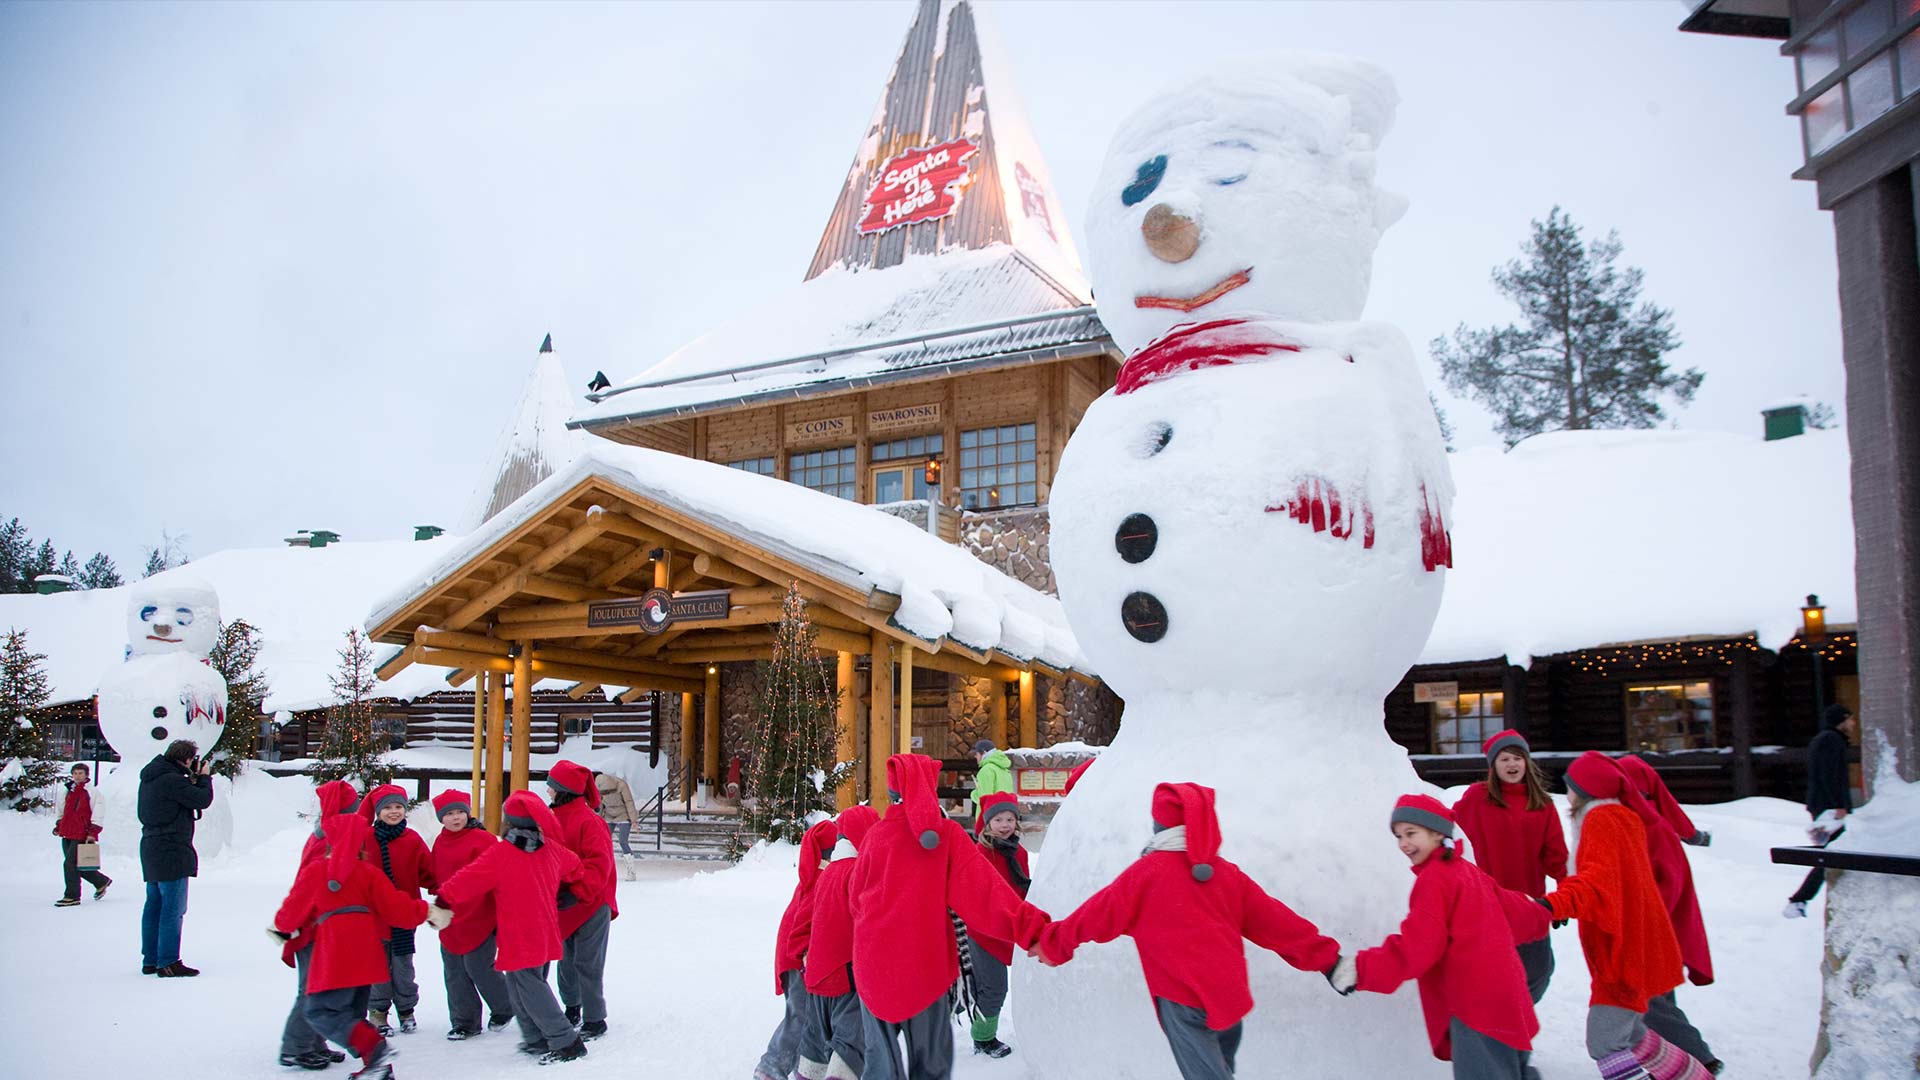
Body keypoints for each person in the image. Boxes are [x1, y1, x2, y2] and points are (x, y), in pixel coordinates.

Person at [1035, 782, 1341, 1080]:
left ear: (1159, 827)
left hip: (1183, 1002)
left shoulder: (1145, 875)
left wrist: (1053, 944)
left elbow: (1095, 916)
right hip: (1228, 999)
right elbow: (1278, 923)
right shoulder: (1228, 876)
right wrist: (1329, 961)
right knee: (1219, 1069)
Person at [850, 754, 1051, 1080]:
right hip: (923, 970)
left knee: (879, 1065)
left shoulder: (875, 836)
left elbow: (855, 901)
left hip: (872, 968)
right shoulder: (947, 837)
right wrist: (1035, 931)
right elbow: (986, 896)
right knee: (929, 1065)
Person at [1337, 795, 1550, 1080]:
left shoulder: (1435, 880)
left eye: (1411, 833)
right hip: (1508, 998)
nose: (1403, 843)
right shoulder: (1467, 871)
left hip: (1476, 1007)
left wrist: (1360, 969)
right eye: (1398, 835)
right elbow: (1516, 911)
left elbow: (1418, 947)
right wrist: (1545, 910)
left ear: (1438, 833)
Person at [1540, 753, 1709, 1080]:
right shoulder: (1624, 818)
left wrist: (1554, 904)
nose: (1568, 793)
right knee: (1634, 1036)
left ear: (1586, 790)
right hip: (1630, 947)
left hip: (1622, 954)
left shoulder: (1602, 821)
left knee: (1604, 1041)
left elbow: (1596, 884)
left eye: (1571, 786)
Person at [270, 808, 437, 1080]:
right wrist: (427, 911)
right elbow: (397, 908)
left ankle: (376, 1049)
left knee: (320, 1010)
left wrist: (282, 929)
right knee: (352, 1013)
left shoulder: (317, 871)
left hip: (336, 951)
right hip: (368, 953)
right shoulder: (368, 873)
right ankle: (378, 1068)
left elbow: (291, 911)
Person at [435, 790, 591, 1065]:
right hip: (545, 929)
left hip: (520, 934)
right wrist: (570, 890)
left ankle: (566, 1042)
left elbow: (467, 879)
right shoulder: (551, 848)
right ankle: (535, 1038)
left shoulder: (501, 853)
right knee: (523, 985)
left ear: (509, 822)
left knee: (530, 987)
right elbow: (576, 866)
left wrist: (443, 898)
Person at [1618, 756, 1720, 1073]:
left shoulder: (1653, 829)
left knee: (1644, 997)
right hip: (1649, 924)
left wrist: (1640, 911)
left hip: (1654, 926)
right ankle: (1673, 1066)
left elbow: (1670, 884)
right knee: (1657, 994)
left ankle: (1700, 1058)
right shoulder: (1633, 824)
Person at [1451, 730, 1568, 1004]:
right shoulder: (1476, 798)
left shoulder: (1543, 805)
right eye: (1504, 759)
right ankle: (1501, 1029)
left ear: (1527, 762)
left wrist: (1566, 896)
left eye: (1517, 758)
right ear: (1493, 766)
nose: (1512, 765)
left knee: (1539, 971)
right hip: (1488, 903)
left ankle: (1514, 1021)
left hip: (1529, 904)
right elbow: (1450, 831)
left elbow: (1556, 857)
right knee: (1493, 973)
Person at [279, 780, 360, 1070]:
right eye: (355, 807)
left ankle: (313, 1042)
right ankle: (296, 1047)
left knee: (321, 985)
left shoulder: (329, 835)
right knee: (313, 989)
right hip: (314, 927)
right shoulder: (328, 841)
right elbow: (312, 887)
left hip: (322, 926)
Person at [756, 818, 840, 1080]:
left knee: (810, 1015)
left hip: (797, 956)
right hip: (799, 958)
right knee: (801, 1015)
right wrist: (804, 955)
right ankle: (772, 1065)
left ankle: (805, 1065)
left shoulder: (814, 875)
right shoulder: (821, 879)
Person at [429, 788, 514, 1041]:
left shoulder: (483, 840)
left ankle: (505, 1006)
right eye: (449, 814)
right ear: (441, 818)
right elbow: (436, 875)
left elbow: (497, 877)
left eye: (460, 813)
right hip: (451, 917)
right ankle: (464, 1021)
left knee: (479, 966)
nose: (456, 818)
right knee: (454, 971)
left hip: (481, 915)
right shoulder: (440, 842)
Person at [805, 806, 879, 1080]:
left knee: (816, 1037)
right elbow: (867, 918)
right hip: (846, 969)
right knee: (850, 1039)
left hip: (818, 969)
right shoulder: (857, 872)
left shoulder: (830, 871)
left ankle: (808, 1074)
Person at [547, 760, 619, 1040]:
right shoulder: (550, 819)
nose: (548, 791)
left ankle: (594, 1018)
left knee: (588, 962)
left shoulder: (591, 822)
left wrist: (577, 892)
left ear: (562, 789)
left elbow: (600, 866)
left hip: (591, 902)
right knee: (565, 960)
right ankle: (572, 1006)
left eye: (552, 786)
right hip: (563, 904)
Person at [358, 784, 435, 1035]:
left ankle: (406, 1009)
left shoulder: (412, 839)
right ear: (378, 812)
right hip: (373, 916)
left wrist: (444, 890)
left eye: (399, 807)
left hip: (404, 914)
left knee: (403, 964)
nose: (394, 812)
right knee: (377, 965)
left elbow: (428, 871)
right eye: (388, 808)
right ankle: (378, 1011)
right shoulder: (365, 838)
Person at [138, 738, 213, 977]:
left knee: (154, 906)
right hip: (172, 849)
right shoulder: (171, 780)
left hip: (151, 846)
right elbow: (202, 799)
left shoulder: (152, 776)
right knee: (173, 908)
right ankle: (168, 961)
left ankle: (151, 959)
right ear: (187, 759)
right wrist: (204, 778)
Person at [964, 792, 1028, 1059]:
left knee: (988, 985)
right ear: (987, 822)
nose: (1004, 824)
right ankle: (983, 1038)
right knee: (994, 986)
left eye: (1010, 818)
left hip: (1007, 928)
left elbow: (1022, 888)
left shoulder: (1019, 852)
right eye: (998, 819)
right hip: (983, 931)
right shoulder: (981, 854)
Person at [1785, 703, 1857, 918]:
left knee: (1830, 853)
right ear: (1842, 720)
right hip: (1828, 808)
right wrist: (1839, 805)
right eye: (1851, 719)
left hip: (1825, 806)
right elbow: (1830, 775)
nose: (1853, 724)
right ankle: (1798, 900)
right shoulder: (1830, 740)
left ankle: (1800, 900)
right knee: (1830, 854)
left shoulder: (1828, 740)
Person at [54, 762, 111, 907]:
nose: (77, 776)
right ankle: (101, 881)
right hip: (67, 831)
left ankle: (72, 895)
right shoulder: (68, 790)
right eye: (75, 773)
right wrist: (59, 825)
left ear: (86, 775)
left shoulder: (92, 792)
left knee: (69, 864)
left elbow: (98, 812)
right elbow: (62, 808)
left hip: (82, 833)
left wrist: (93, 832)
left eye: (80, 773)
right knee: (77, 864)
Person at [594, 770, 641, 857]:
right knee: (604, 840)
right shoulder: (598, 787)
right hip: (608, 815)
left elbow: (629, 802)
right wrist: (597, 819)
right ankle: (605, 860)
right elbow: (600, 805)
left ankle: (629, 861)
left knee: (623, 841)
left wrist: (634, 821)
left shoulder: (621, 785)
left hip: (623, 814)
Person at [968, 739, 1012, 818]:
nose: (975, 756)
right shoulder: (1005, 770)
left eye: (977, 753)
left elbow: (985, 799)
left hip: (989, 819)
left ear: (984, 753)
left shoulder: (986, 770)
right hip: (1005, 816)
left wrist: (973, 794)